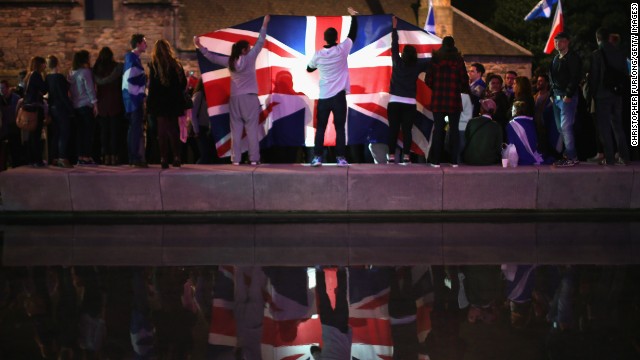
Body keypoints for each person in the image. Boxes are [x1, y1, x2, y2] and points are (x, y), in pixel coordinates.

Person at [194, 15, 270, 166]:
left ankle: (236, 159)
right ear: (244, 50)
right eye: (248, 48)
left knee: (235, 130)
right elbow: (260, 42)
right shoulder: (250, 58)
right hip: (249, 98)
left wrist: (199, 46)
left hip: (235, 99)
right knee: (252, 130)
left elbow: (212, 57)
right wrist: (265, 24)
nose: (250, 49)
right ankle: (254, 159)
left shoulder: (230, 62)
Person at [307, 8, 359, 167]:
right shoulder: (342, 50)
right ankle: (341, 158)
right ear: (336, 38)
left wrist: (320, 66)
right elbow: (352, 34)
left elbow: (309, 68)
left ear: (325, 39)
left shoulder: (318, 55)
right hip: (338, 97)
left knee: (321, 128)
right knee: (340, 128)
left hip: (324, 97)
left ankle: (317, 157)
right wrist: (354, 17)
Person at [387, 16, 430, 164]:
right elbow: (431, 60)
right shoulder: (417, 65)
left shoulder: (397, 62)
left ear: (403, 54)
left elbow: (394, 45)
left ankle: (391, 156)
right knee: (407, 131)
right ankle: (406, 156)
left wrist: (394, 28)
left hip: (394, 102)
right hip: (409, 103)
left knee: (393, 130)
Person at [585, 27, 630, 166]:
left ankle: (609, 158)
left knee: (604, 128)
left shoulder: (597, 54)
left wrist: (590, 96)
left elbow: (594, 78)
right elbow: (624, 74)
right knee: (618, 126)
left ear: (598, 38)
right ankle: (624, 156)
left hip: (602, 95)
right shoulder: (620, 53)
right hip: (617, 94)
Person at [425, 35, 468, 167]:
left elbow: (428, 80)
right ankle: (454, 160)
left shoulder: (435, 60)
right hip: (453, 99)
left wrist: (437, 88)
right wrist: (456, 87)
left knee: (438, 130)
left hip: (438, 99)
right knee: (454, 130)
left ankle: (436, 160)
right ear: (454, 45)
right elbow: (464, 80)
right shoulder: (459, 60)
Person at [147, 39, 188, 169]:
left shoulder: (154, 66)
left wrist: (150, 104)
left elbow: (152, 88)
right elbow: (183, 84)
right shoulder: (176, 65)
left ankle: (164, 158)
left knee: (162, 132)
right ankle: (177, 157)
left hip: (160, 103)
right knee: (173, 130)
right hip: (174, 102)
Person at [549, 31, 582, 167]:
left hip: (566, 97)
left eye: (561, 41)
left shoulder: (572, 57)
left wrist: (568, 94)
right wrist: (551, 94)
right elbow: (552, 78)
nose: (557, 44)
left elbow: (575, 77)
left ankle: (572, 156)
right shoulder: (556, 58)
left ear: (567, 42)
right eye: (556, 41)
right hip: (556, 97)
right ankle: (567, 155)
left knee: (565, 127)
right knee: (560, 128)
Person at [93, 46, 125, 166]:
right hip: (115, 103)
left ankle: (105, 156)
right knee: (114, 132)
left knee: (104, 132)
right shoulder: (117, 68)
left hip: (102, 104)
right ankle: (114, 157)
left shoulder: (96, 70)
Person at [123, 33, 149, 168]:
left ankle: (134, 157)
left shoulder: (133, 59)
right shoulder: (131, 58)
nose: (146, 44)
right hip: (133, 99)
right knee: (135, 129)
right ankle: (134, 157)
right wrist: (144, 78)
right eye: (144, 42)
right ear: (138, 44)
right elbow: (131, 78)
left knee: (135, 129)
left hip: (133, 99)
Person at [316, 267, 352, 359]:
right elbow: (313, 350)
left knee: (341, 294)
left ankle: (341, 269)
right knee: (322, 295)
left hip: (341, 327)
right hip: (327, 327)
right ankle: (319, 269)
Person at [69, 50, 98, 166]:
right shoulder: (86, 72)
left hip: (76, 106)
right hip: (86, 105)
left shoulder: (71, 73)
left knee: (80, 133)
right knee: (88, 132)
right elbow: (90, 89)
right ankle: (86, 156)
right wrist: (95, 104)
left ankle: (81, 156)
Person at [45, 55, 74, 168]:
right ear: (57, 64)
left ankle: (54, 157)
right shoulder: (59, 77)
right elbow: (63, 95)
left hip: (52, 107)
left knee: (56, 133)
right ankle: (62, 157)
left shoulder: (48, 77)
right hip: (61, 108)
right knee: (64, 133)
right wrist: (70, 109)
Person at [22, 56, 48, 167]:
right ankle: (37, 160)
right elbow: (44, 89)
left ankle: (32, 159)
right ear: (40, 64)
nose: (45, 66)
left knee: (32, 135)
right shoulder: (37, 75)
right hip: (36, 109)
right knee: (36, 135)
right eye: (44, 64)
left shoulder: (29, 75)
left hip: (28, 108)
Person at [462, 99, 502, 165]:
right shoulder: (497, 126)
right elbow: (498, 148)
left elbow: (466, 138)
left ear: (482, 109)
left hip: (470, 159)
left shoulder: (472, 122)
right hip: (489, 160)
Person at [507, 101, 543, 165]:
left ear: (516, 110)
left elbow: (511, 144)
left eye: (512, 108)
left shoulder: (511, 124)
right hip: (533, 156)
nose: (511, 110)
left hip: (518, 159)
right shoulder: (532, 122)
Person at [191, 78, 215, 164]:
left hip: (206, 129)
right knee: (205, 155)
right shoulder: (199, 95)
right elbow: (192, 114)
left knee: (208, 155)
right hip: (199, 128)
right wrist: (196, 130)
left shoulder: (207, 96)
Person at [1, 80, 21, 169]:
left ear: (8, 88)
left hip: (14, 127)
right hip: (4, 128)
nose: (1, 90)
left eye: (2, 88)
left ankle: (16, 166)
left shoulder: (16, 98)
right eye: (0, 88)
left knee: (15, 149)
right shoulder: (1, 99)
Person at [483, 74, 509, 140]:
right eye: (493, 83)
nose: (495, 85)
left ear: (501, 85)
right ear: (488, 84)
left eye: (498, 83)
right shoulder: (484, 95)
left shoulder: (502, 97)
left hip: (497, 128)